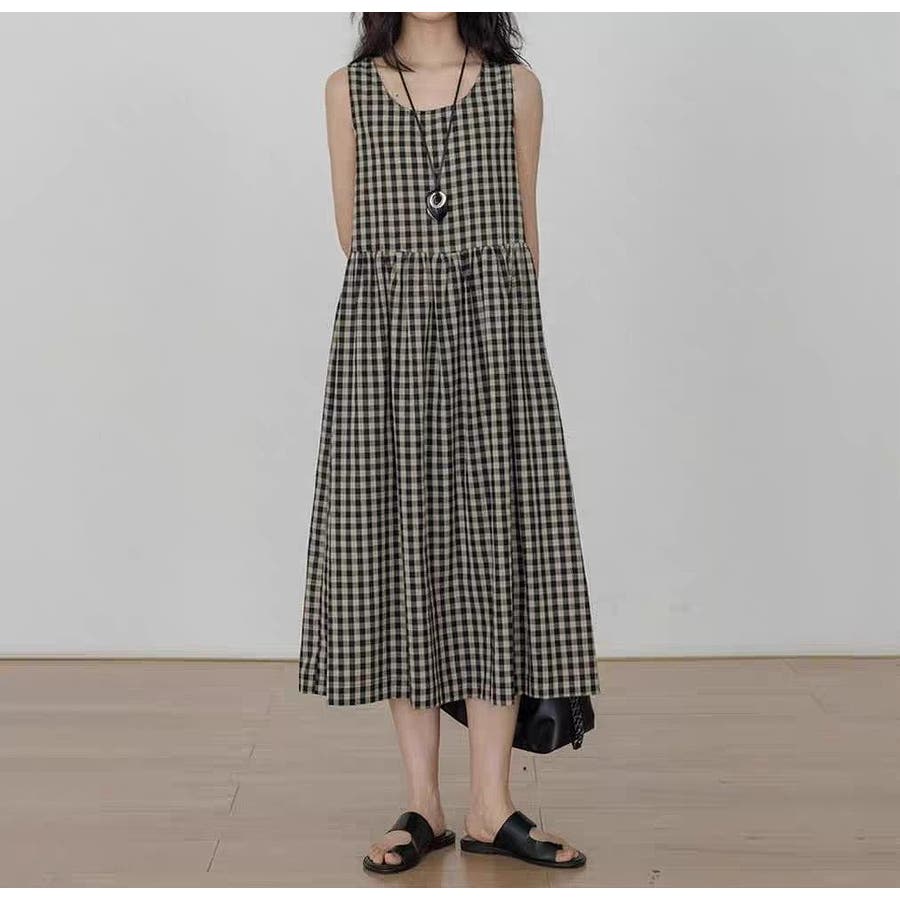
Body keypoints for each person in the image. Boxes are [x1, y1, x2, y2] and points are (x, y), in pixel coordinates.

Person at [299, 12, 600, 874]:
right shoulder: (348, 92)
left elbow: (525, 239)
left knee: (493, 551)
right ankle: (424, 804)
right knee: (402, 551)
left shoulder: (516, 89)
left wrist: (498, 350)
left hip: (495, 345)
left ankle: (491, 805)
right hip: (386, 350)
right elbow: (355, 235)